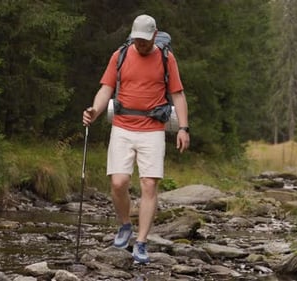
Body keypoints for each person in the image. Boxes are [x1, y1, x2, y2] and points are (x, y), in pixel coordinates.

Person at [82, 14, 190, 264]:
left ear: (154, 35)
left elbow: (178, 95)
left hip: (153, 129)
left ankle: (141, 243)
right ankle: (124, 225)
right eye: (136, 40)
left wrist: (183, 128)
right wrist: (94, 112)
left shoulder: (166, 58)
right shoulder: (119, 56)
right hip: (122, 126)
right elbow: (106, 89)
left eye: (144, 40)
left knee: (149, 185)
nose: (140, 45)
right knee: (119, 182)